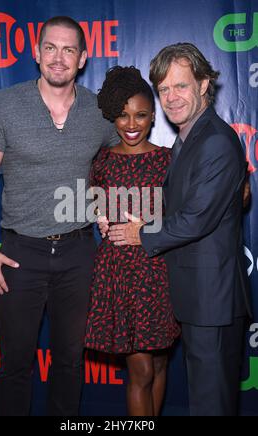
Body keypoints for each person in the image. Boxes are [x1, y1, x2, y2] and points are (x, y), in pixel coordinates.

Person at [0, 16, 118, 416]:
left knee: (70, 363)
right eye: (50, 47)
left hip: (80, 254)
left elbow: (123, 164)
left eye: (69, 50)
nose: (58, 58)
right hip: (20, 255)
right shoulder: (2, 105)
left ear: (83, 58)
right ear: (36, 53)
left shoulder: (100, 111)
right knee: (15, 366)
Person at [101, 44, 252, 416]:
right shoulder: (189, 138)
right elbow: (183, 203)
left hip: (211, 298)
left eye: (181, 86)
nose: (171, 97)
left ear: (204, 84)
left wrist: (141, 234)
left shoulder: (214, 140)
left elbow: (197, 218)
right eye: (164, 89)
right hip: (195, 295)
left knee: (210, 403)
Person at [84, 66, 180, 416]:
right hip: (120, 274)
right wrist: (98, 211)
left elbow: (185, 214)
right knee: (139, 370)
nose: (131, 123)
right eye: (122, 115)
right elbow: (91, 196)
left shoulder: (169, 160)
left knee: (159, 366)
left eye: (140, 114)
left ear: (154, 115)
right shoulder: (103, 160)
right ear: (113, 116)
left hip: (160, 273)